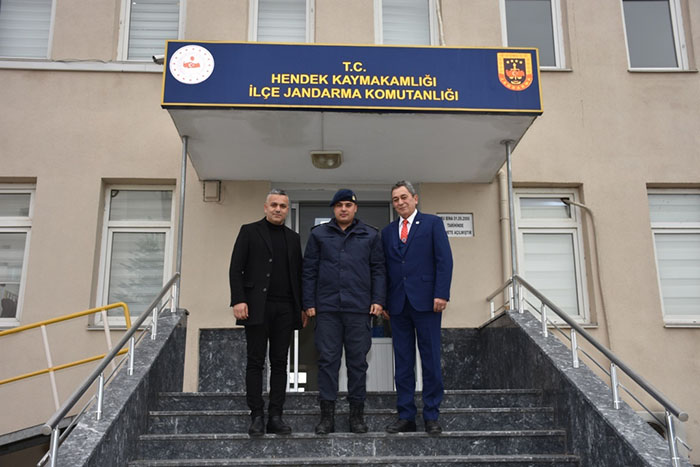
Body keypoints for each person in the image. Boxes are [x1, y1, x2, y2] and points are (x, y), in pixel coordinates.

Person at [302, 189, 386, 435]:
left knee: (357, 362)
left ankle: (356, 417)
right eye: (339, 205)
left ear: (355, 208)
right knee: (328, 361)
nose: (343, 209)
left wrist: (378, 299)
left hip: (358, 308)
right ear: (333, 209)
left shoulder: (370, 235)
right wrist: (308, 302)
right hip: (327, 309)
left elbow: (378, 269)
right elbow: (309, 270)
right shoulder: (319, 235)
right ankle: (326, 418)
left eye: (348, 205)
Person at [229, 189, 307, 437]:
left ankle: (275, 416)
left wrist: (302, 306)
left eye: (282, 206)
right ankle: (256, 416)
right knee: (255, 362)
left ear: (287, 210)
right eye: (274, 205)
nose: (278, 209)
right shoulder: (249, 231)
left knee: (280, 363)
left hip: (285, 309)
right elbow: (236, 269)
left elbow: (299, 275)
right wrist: (238, 299)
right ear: (265, 207)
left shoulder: (293, 238)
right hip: (256, 307)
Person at [381, 180, 453, 435]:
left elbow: (444, 260)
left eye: (404, 197)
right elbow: (384, 269)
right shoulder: (388, 232)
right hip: (398, 305)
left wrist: (441, 294)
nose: (400, 202)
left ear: (415, 198)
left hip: (427, 303)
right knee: (403, 363)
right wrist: (384, 300)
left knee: (430, 359)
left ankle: (431, 415)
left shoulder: (432, 224)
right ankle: (406, 415)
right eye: (395, 199)